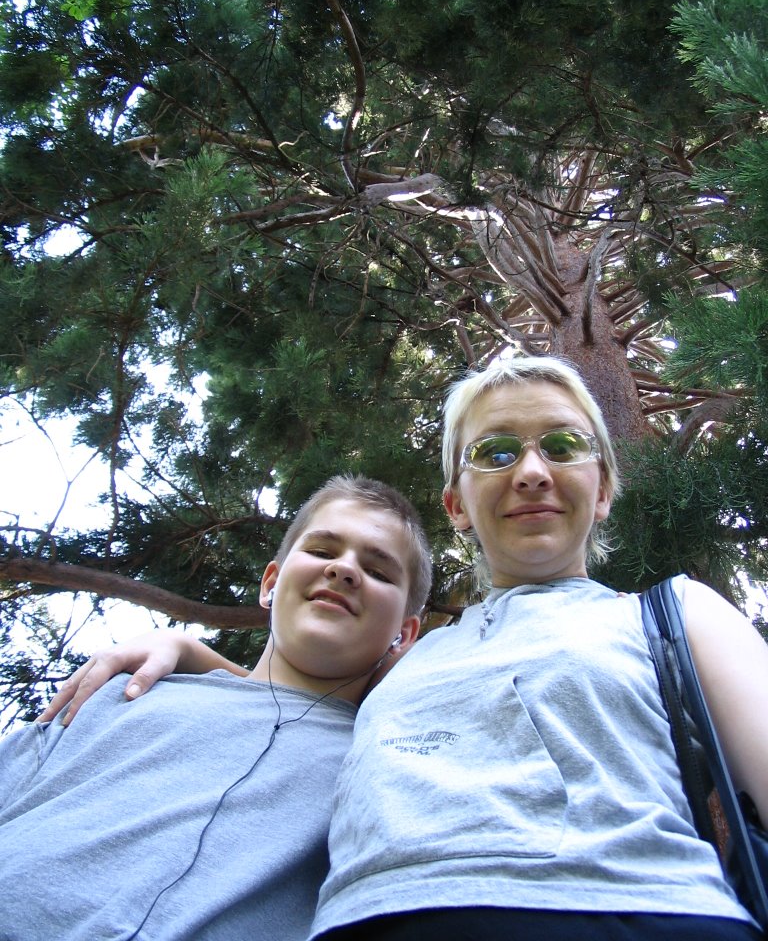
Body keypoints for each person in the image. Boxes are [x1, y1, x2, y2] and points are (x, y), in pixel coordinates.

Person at [36, 358, 768, 940]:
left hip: (630, 909)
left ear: (603, 487)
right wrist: (187, 650)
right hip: (372, 918)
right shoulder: (414, 658)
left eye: (564, 445)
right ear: (456, 504)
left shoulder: (673, 612)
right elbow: (292, 704)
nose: (533, 470)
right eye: (497, 450)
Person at [0, 475, 430, 941]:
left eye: (379, 572)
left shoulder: (390, 766)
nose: (344, 569)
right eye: (323, 551)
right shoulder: (120, 692)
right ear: (270, 583)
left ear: (404, 635)